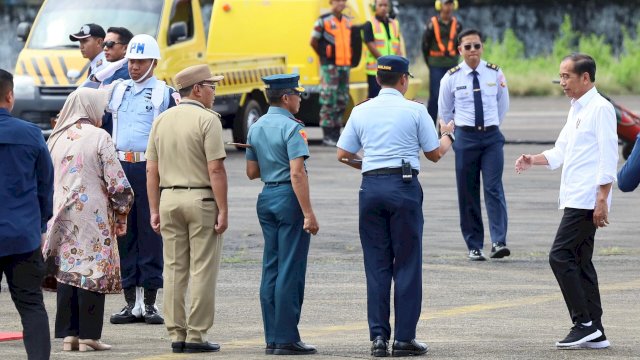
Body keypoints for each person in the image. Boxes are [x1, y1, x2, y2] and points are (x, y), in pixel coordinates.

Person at [336, 55, 455, 357]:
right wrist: (448, 134)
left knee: (377, 266)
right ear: (404, 80)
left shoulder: (362, 110)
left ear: (378, 80)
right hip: (403, 188)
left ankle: (378, 338)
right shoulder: (415, 110)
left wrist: (370, 166)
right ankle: (404, 339)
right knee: (406, 264)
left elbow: (342, 153)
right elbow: (434, 154)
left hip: (371, 186)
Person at [515, 53, 617, 349]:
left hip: (587, 199)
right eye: (560, 77)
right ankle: (595, 329)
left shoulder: (600, 109)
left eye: (566, 77)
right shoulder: (577, 109)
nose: (562, 83)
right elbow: (560, 152)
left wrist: (602, 199)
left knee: (559, 256)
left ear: (585, 78)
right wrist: (532, 159)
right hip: (575, 196)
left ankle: (583, 323)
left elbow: (609, 156)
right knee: (581, 261)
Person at [43, 87, 134, 352]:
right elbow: (117, 183)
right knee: (92, 270)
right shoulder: (99, 137)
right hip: (92, 215)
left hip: (60, 212)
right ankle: (88, 336)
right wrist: (123, 208)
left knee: (68, 270)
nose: (102, 114)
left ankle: (69, 335)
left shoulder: (56, 137)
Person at [146, 64, 228, 354]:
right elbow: (216, 169)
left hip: (168, 199)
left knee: (174, 268)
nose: (214, 92)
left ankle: (176, 333)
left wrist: (154, 208)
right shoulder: (209, 120)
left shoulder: (162, 120)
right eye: (211, 86)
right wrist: (224, 209)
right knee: (203, 269)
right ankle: (196, 335)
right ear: (197, 89)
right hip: (202, 199)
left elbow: (151, 170)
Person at [245, 74, 320, 355]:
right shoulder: (293, 128)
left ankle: (272, 338)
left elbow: (252, 173)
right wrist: (308, 213)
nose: (300, 99)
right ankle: (287, 338)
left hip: (266, 198)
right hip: (289, 198)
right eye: (298, 94)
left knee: (272, 267)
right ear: (286, 97)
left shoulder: (257, 126)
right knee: (291, 268)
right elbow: (297, 173)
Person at [107, 34, 179, 325]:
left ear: (154, 62)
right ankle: (129, 303)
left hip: (150, 167)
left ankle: (149, 303)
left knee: (150, 233)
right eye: (131, 61)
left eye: (140, 61)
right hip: (121, 165)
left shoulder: (164, 93)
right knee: (124, 233)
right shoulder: (117, 90)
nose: (134, 67)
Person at [438, 28, 510, 261]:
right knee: (468, 192)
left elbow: (502, 105)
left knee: (493, 188)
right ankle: (474, 245)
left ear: (482, 47)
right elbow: (445, 112)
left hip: (490, 138)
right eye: (467, 47)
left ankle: (499, 241)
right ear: (459, 49)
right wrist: (454, 133)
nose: (472, 51)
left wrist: (490, 127)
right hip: (466, 139)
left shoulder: (495, 73)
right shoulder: (451, 78)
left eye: (476, 46)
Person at [0, 69, 53, 360]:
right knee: (31, 305)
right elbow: (46, 185)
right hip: (22, 235)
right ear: (10, 96)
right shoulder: (31, 134)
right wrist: (42, 223)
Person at [310, 0, 352, 146]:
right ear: (331, 2)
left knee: (342, 100)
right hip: (330, 67)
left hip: (344, 66)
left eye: (343, 1)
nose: (341, 3)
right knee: (329, 100)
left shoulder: (347, 21)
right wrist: (323, 56)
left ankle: (336, 132)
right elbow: (313, 41)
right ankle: (328, 134)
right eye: (338, 1)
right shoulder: (323, 21)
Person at [82, 26, 134, 135]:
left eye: (110, 44)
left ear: (125, 48)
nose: (105, 48)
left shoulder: (126, 72)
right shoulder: (111, 68)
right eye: (104, 44)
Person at [422, 0, 462, 124]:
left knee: (452, 98)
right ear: (439, 5)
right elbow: (425, 46)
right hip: (436, 65)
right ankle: (429, 127)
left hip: (452, 65)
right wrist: (431, 63)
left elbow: (461, 44)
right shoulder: (431, 24)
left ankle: (448, 128)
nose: (448, 7)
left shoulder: (458, 25)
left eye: (450, 4)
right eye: (446, 4)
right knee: (434, 97)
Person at [363, 0, 402, 98]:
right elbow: (371, 46)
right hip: (375, 71)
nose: (383, 8)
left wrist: (396, 64)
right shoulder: (369, 24)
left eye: (385, 5)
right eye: (380, 5)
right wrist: (386, 63)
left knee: (391, 98)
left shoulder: (395, 24)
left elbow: (397, 45)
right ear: (374, 7)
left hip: (392, 70)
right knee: (375, 97)